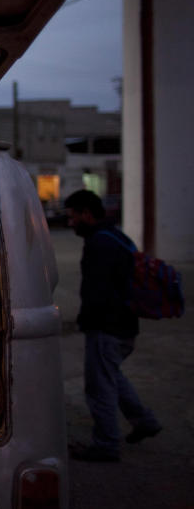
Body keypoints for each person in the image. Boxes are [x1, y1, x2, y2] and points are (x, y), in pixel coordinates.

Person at [64, 189, 162, 462]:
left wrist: (86, 323)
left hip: (107, 327)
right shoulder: (117, 237)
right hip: (124, 325)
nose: (70, 223)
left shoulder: (100, 244)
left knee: (99, 387)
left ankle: (106, 445)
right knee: (111, 376)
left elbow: (98, 292)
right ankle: (145, 421)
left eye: (73, 217)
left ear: (86, 214)